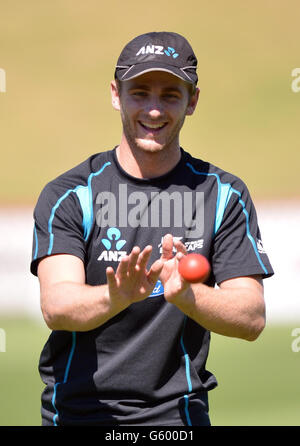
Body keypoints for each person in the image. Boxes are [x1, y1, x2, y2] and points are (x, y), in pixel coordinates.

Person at [31, 31, 274, 426]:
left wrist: (188, 296)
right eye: (140, 92)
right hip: (78, 415)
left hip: (178, 419)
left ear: (192, 101)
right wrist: (118, 296)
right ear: (116, 94)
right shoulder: (72, 194)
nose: (155, 110)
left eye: (170, 95)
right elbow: (56, 307)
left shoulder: (224, 194)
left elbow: (252, 318)